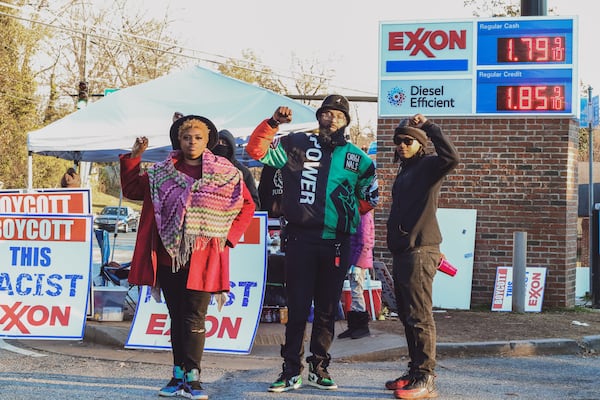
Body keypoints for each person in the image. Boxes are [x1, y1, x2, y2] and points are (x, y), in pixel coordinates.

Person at [246, 94, 378, 393]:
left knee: (327, 310)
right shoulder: (296, 144)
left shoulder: (360, 158)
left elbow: (370, 197)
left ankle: (320, 368)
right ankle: (290, 370)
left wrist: (340, 215)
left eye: (338, 115)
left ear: (346, 122)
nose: (331, 118)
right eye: (326, 113)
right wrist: (273, 123)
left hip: (335, 243)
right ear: (319, 117)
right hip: (300, 239)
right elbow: (256, 150)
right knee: (297, 307)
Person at [120, 115, 255, 400]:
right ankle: (177, 373)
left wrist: (227, 238)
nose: (191, 142)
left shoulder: (226, 172)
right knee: (176, 315)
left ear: (208, 142)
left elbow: (247, 205)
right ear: (178, 141)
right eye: (186, 137)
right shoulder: (161, 173)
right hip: (170, 256)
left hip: (205, 257)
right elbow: (132, 190)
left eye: (197, 137)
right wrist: (134, 159)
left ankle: (193, 377)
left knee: (194, 317)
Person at [385, 114, 459, 400]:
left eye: (408, 141)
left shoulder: (429, 166)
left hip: (421, 250)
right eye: (398, 141)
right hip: (403, 251)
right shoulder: (404, 171)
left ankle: (427, 378)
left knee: (419, 315)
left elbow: (452, 157)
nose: (402, 145)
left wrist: (430, 127)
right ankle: (415, 371)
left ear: (420, 144)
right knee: (406, 315)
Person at [337, 208, 375, 340]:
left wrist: (356, 263)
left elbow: (364, 241)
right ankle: (354, 326)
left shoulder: (363, 216)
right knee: (354, 292)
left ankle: (361, 327)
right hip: (354, 258)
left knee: (357, 292)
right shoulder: (359, 214)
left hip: (358, 260)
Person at [212, 129, 261, 209]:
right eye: (217, 143)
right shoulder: (206, 169)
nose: (220, 146)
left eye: (224, 143)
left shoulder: (243, 172)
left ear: (231, 147)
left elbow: (254, 203)